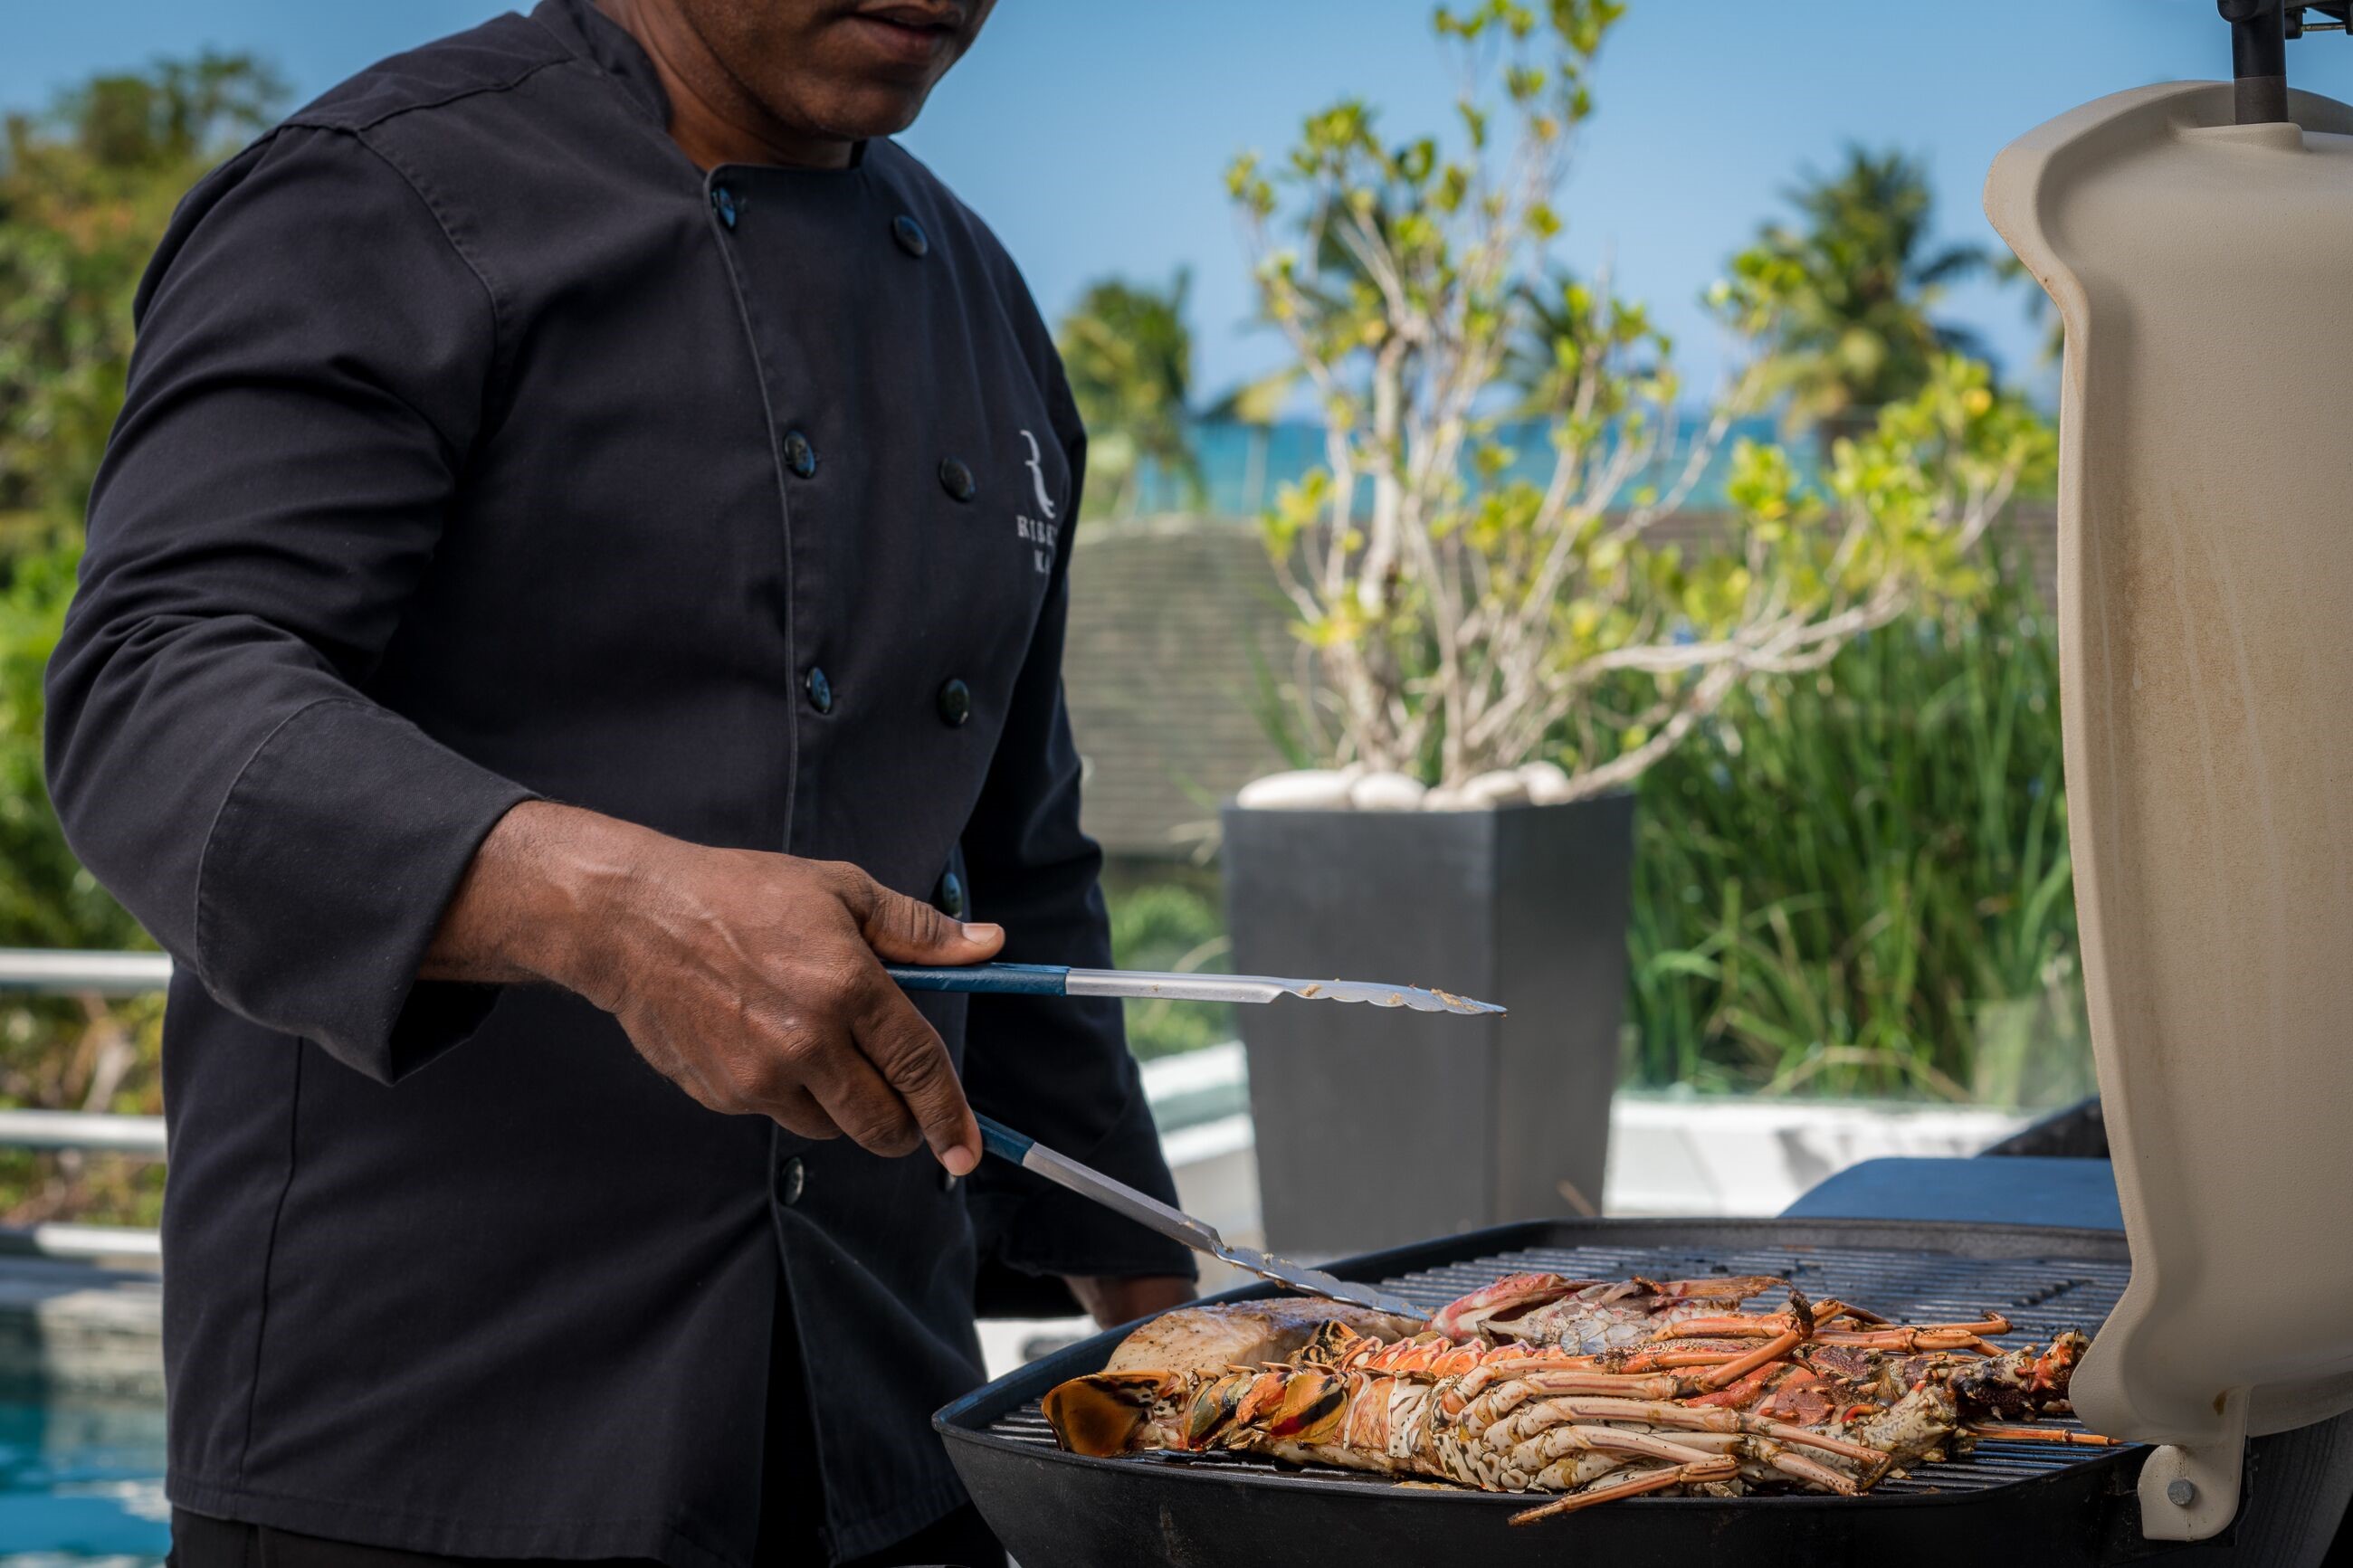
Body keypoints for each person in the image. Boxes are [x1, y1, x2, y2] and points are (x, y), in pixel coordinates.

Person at [43, 3, 1196, 1563]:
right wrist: (618, 914)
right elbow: (154, 690)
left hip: (886, 1449)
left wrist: (1173, 1353)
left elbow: (1019, 867)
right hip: (421, 1455)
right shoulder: (379, 192)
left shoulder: (978, 299)